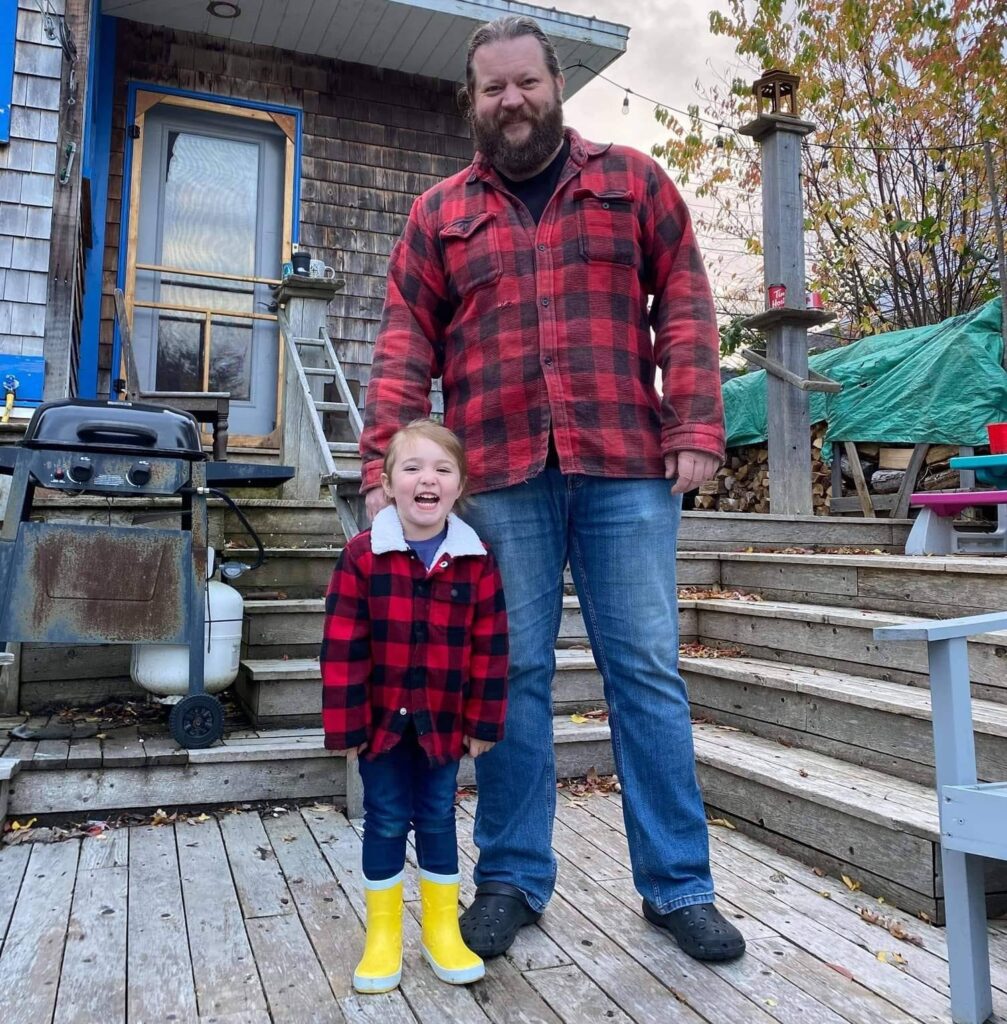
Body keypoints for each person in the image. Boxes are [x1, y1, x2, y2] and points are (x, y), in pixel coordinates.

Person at [358, 15, 745, 964]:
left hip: (624, 467)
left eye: (524, 82)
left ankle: (677, 886)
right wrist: (385, 468)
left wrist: (694, 423)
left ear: (554, 81)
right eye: (492, 88)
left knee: (646, 674)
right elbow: (404, 344)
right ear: (472, 99)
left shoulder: (634, 182)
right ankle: (513, 879)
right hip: (494, 480)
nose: (511, 101)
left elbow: (687, 302)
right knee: (512, 681)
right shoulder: (439, 214)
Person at [321, 419, 509, 993]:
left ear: (459, 486)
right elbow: (341, 646)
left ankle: (440, 930)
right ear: (387, 481)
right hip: (379, 726)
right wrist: (347, 724)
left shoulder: (475, 559)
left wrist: (482, 722)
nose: (427, 478)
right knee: (382, 820)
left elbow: (491, 648)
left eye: (442, 469)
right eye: (412, 467)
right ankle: (382, 938)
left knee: (437, 818)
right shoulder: (362, 557)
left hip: (444, 727)